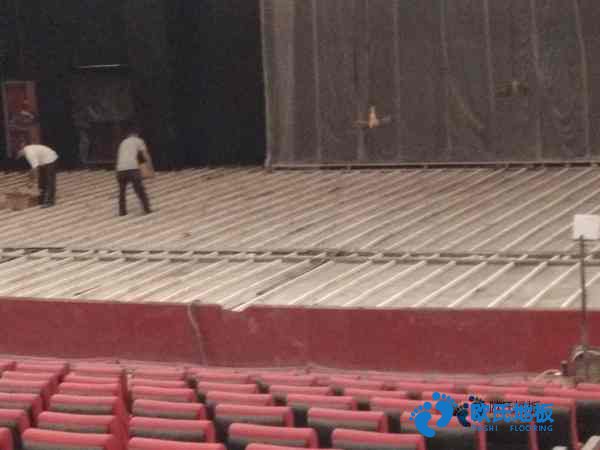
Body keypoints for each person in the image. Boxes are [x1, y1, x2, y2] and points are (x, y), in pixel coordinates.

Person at [116, 128, 152, 216]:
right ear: (136, 134)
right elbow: (145, 154)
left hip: (120, 169)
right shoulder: (138, 141)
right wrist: (150, 167)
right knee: (139, 189)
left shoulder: (123, 142)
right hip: (132, 168)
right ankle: (147, 208)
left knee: (122, 191)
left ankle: (122, 211)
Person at [17, 142, 59, 208]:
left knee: (49, 181)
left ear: (20, 151)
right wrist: (30, 179)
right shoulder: (27, 151)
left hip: (51, 159)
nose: (18, 156)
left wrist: (31, 182)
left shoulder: (29, 154)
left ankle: (50, 202)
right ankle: (41, 200)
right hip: (44, 160)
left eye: (18, 155)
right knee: (41, 181)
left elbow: (35, 169)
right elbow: (33, 168)